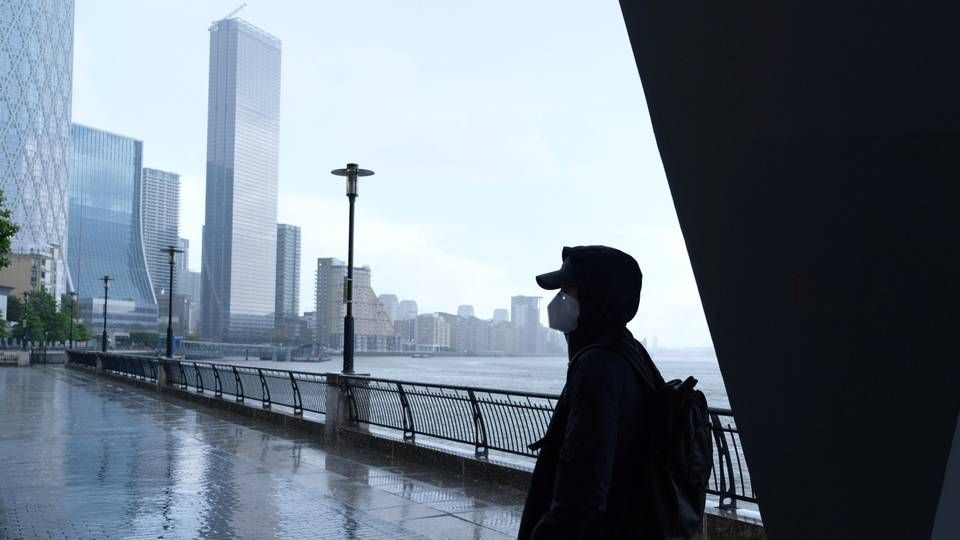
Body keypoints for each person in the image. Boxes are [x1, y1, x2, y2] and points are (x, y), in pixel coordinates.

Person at [518, 245, 666, 540]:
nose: (558, 300)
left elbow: (582, 489)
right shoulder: (629, 353)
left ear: (596, 294)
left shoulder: (598, 366)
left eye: (566, 289)